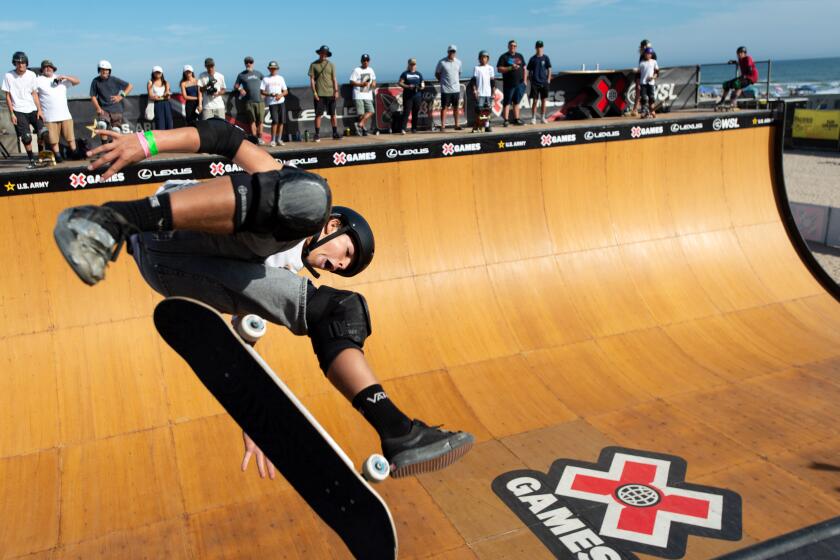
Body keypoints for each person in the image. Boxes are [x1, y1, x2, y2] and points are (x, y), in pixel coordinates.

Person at [52, 119, 475, 480]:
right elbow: (224, 137)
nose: (336, 265)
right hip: (164, 228)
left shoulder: (281, 274)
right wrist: (146, 143)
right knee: (306, 195)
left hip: (177, 272)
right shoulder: (293, 197)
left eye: (343, 268)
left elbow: (239, 339)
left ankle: (398, 431)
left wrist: (256, 413)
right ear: (334, 226)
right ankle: (110, 218)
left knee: (337, 309)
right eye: (344, 253)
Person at [3, 51, 45, 167]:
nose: (21, 65)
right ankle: (32, 160)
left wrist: (40, 110)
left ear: (26, 63)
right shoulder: (8, 76)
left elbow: (34, 93)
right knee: (26, 137)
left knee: (43, 133)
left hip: (32, 108)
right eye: (18, 63)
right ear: (14, 63)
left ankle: (41, 156)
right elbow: (8, 96)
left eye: (23, 63)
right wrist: (12, 113)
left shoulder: (31, 75)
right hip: (19, 110)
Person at [36, 59, 79, 162]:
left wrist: (66, 77)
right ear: (42, 69)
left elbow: (77, 81)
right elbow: (34, 95)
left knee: (70, 137)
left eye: (49, 67)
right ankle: (58, 155)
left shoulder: (61, 78)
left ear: (53, 69)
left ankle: (74, 153)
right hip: (49, 116)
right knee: (53, 139)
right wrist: (39, 110)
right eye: (45, 67)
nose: (48, 68)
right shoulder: (38, 80)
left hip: (65, 115)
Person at [90, 60, 132, 141]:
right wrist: (98, 108)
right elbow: (93, 96)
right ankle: (105, 146)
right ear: (99, 70)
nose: (105, 71)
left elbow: (130, 86)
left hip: (116, 110)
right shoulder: (95, 81)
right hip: (103, 110)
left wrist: (121, 96)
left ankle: (113, 148)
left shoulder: (114, 80)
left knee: (116, 131)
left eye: (107, 70)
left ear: (109, 71)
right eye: (103, 69)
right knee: (102, 125)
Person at [308, 45, 341, 142]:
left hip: (331, 93)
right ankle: (317, 134)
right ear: (319, 53)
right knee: (318, 115)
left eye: (325, 53)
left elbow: (334, 79)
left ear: (327, 54)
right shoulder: (313, 65)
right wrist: (314, 92)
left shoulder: (331, 65)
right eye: (322, 52)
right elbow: (312, 80)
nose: (323, 54)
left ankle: (335, 133)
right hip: (319, 94)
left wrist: (336, 91)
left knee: (333, 114)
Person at [497, 40, 527, 126]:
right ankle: (506, 120)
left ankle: (516, 119)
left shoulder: (520, 56)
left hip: (519, 83)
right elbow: (499, 69)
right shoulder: (504, 57)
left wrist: (525, 80)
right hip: (509, 84)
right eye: (511, 45)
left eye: (514, 46)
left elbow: (525, 68)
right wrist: (510, 68)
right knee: (507, 102)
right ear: (508, 46)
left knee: (516, 102)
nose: (513, 47)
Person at [235, 56, 265, 142]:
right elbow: (236, 85)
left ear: (253, 63)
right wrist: (240, 89)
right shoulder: (241, 75)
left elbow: (266, 83)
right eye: (247, 62)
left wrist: (265, 94)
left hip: (260, 101)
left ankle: (260, 138)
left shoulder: (259, 73)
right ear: (245, 64)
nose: (249, 64)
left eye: (250, 62)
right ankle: (255, 139)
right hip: (249, 102)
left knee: (260, 121)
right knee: (252, 121)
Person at [435, 45, 462, 131]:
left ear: (455, 52)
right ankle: (443, 126)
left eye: (453, 51)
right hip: (446, 90)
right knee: (444, 108)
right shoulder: (442, 62)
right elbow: (437, 73)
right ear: (448, 52)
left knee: (456, 107)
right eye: (451, 51)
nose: (452, 53)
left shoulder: (459, 62)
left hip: (456, 89)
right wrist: (442, 81)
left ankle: (457, 125)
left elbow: (459, 73)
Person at [626, 39, 657, 117]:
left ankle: (650, 110)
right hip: (641, 76)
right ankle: (635, 110)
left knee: (649, 95)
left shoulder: (652, 54)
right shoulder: (642, 55)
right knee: (639, 92)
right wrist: (638, 75)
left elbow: (653, 67)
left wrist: (653, 77)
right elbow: (641, 67)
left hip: (648, 78)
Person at [261, 61, 288, 146]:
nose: (273, 70)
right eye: (271, 68)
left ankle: (279, 139)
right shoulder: (265, 79)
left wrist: (281, 95)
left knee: (281, 121)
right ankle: (273, 140)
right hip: (272, 103)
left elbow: (286, 91)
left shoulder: (281, 78)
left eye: (275, 68)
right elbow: (262, 91)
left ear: (277, 69)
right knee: (275, 121)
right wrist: (270, 94)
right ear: (269, 69)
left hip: (281, 102)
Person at [349, 54, 376, 136]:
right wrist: (361, 84)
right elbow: (351, 82)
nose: (366, 62)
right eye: (364, 60)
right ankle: (363, 129)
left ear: (369, 61)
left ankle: (359, 124)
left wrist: (373, 84)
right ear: (361, 61)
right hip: (358, 95)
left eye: (367, 60)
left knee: (371, 111)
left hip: (368, 95)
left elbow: (374, 80)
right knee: (361, 114)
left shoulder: (371, 70)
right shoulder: (356, 70)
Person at [527, 40, 552, 124]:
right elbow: (529, 71)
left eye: (540, 47)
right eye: (538, 47)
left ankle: (543, 117)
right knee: (535, 101)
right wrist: (531, 80)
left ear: (543, 47)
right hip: (535, 83)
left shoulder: (546, 58)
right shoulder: (532, 59)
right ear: (535, 48)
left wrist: (548, 79)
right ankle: (533, 118)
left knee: (544, 100)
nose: (539, 48)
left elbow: (549, 69)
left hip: (544, 82)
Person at [398, 58, 424, 134]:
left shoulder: (419, 74)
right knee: (406, 112)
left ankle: (414, 128)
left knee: (415, 112)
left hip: (417, 96)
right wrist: (408, 86)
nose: (413, 66)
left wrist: (420, 87)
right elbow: (400, 83)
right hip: (408, 96)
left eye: (414, 64)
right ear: (408, 65)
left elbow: (422, 84)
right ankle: (403, 128)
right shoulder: (405, 73)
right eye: (411, 64)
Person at [472, 51, 495, 133]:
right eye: (482, 57)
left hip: (488, 94)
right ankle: (477, 126)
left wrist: (493, 92)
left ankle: (487, 126)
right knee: (479, 111)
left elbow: (492, 82)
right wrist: (475, 90)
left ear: (487, 59)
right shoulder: (476, 68)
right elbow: (474, 81)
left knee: (488, 110)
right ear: (479, 59)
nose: (483, 59)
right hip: (480, 93)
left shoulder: (491, 68)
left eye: (485, 57)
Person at [638, 48, 659, 118]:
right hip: (643, 83)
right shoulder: (642, 63)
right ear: (645, 54)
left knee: (651, 97)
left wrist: (653, 77)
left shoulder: (654, 62)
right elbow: (638, 74)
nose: (649, 55)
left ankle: (652, 110)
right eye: (647, 54)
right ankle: (644, 112)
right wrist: (638, 83)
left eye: (650, 54)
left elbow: (657, 72)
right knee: (643, 98)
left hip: (651, 83)